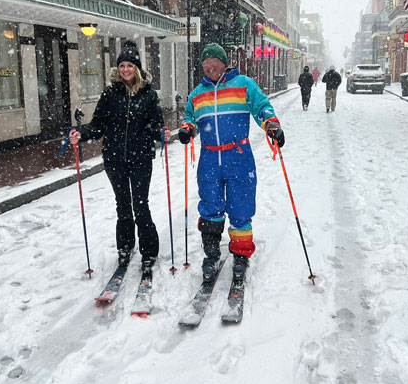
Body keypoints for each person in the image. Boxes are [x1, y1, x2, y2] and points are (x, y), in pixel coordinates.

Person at [178, 43, 285, 284]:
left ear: (224, 63)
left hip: (238, 156)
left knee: (241, 207)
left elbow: (261, 106)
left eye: (213, 61)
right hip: (209, 159)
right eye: (205, 63)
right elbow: (189, 117)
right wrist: (187, 128)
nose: (209, 66)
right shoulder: (197, 94)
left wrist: (271, 124)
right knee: (210, 206)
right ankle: (212, 254)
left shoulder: (243, 84)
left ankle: (240, 255)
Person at [69, 41, 171, 274]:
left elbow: (155, 124)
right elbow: (98, 125)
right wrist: (81, 134)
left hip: (141, 158)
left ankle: (149, 251)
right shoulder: (110, 93)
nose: (126, 69)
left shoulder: (148, 94)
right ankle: (125, 248)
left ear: (137, 68)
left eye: (130, 65)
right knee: (123, 206)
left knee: (141, 205)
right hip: (115, 159)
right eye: (122, 65)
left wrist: (161, 133)